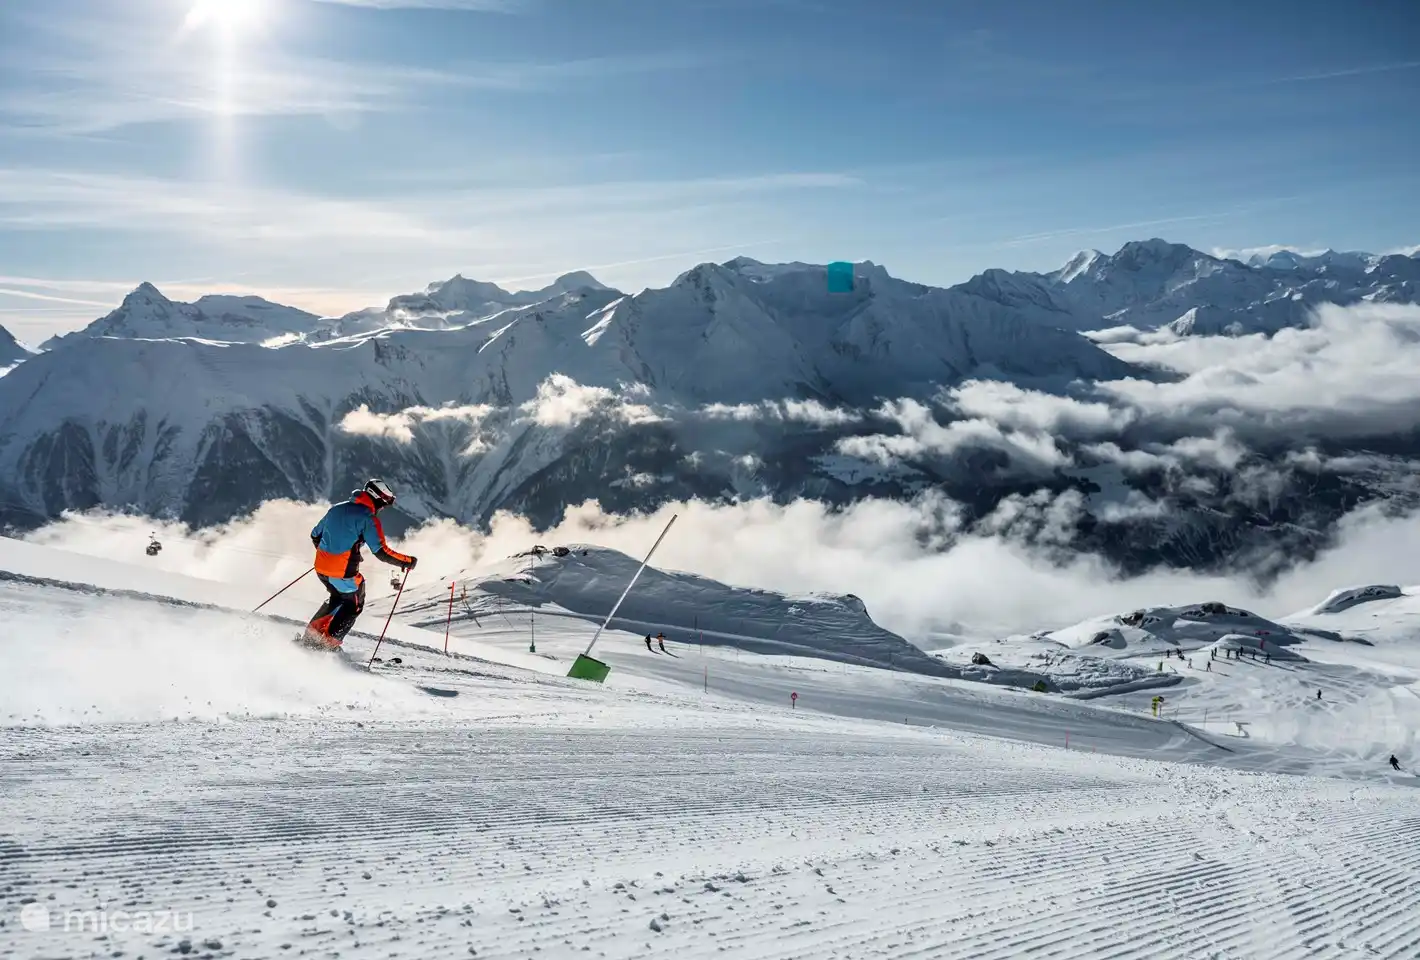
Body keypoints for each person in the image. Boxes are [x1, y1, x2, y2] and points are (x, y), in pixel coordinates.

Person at [301, 479, 417, 649]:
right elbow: (381, 552)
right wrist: (408, 561)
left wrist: (331, 554)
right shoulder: (368, 518)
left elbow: (315, 535)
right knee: (353, 604)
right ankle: (327, 646)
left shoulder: (336, 509)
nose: (382, 508)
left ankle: (310, 638)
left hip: (321, 568)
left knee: (337, 598)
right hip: (342, 573)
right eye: (383, 504)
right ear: (377, 499)